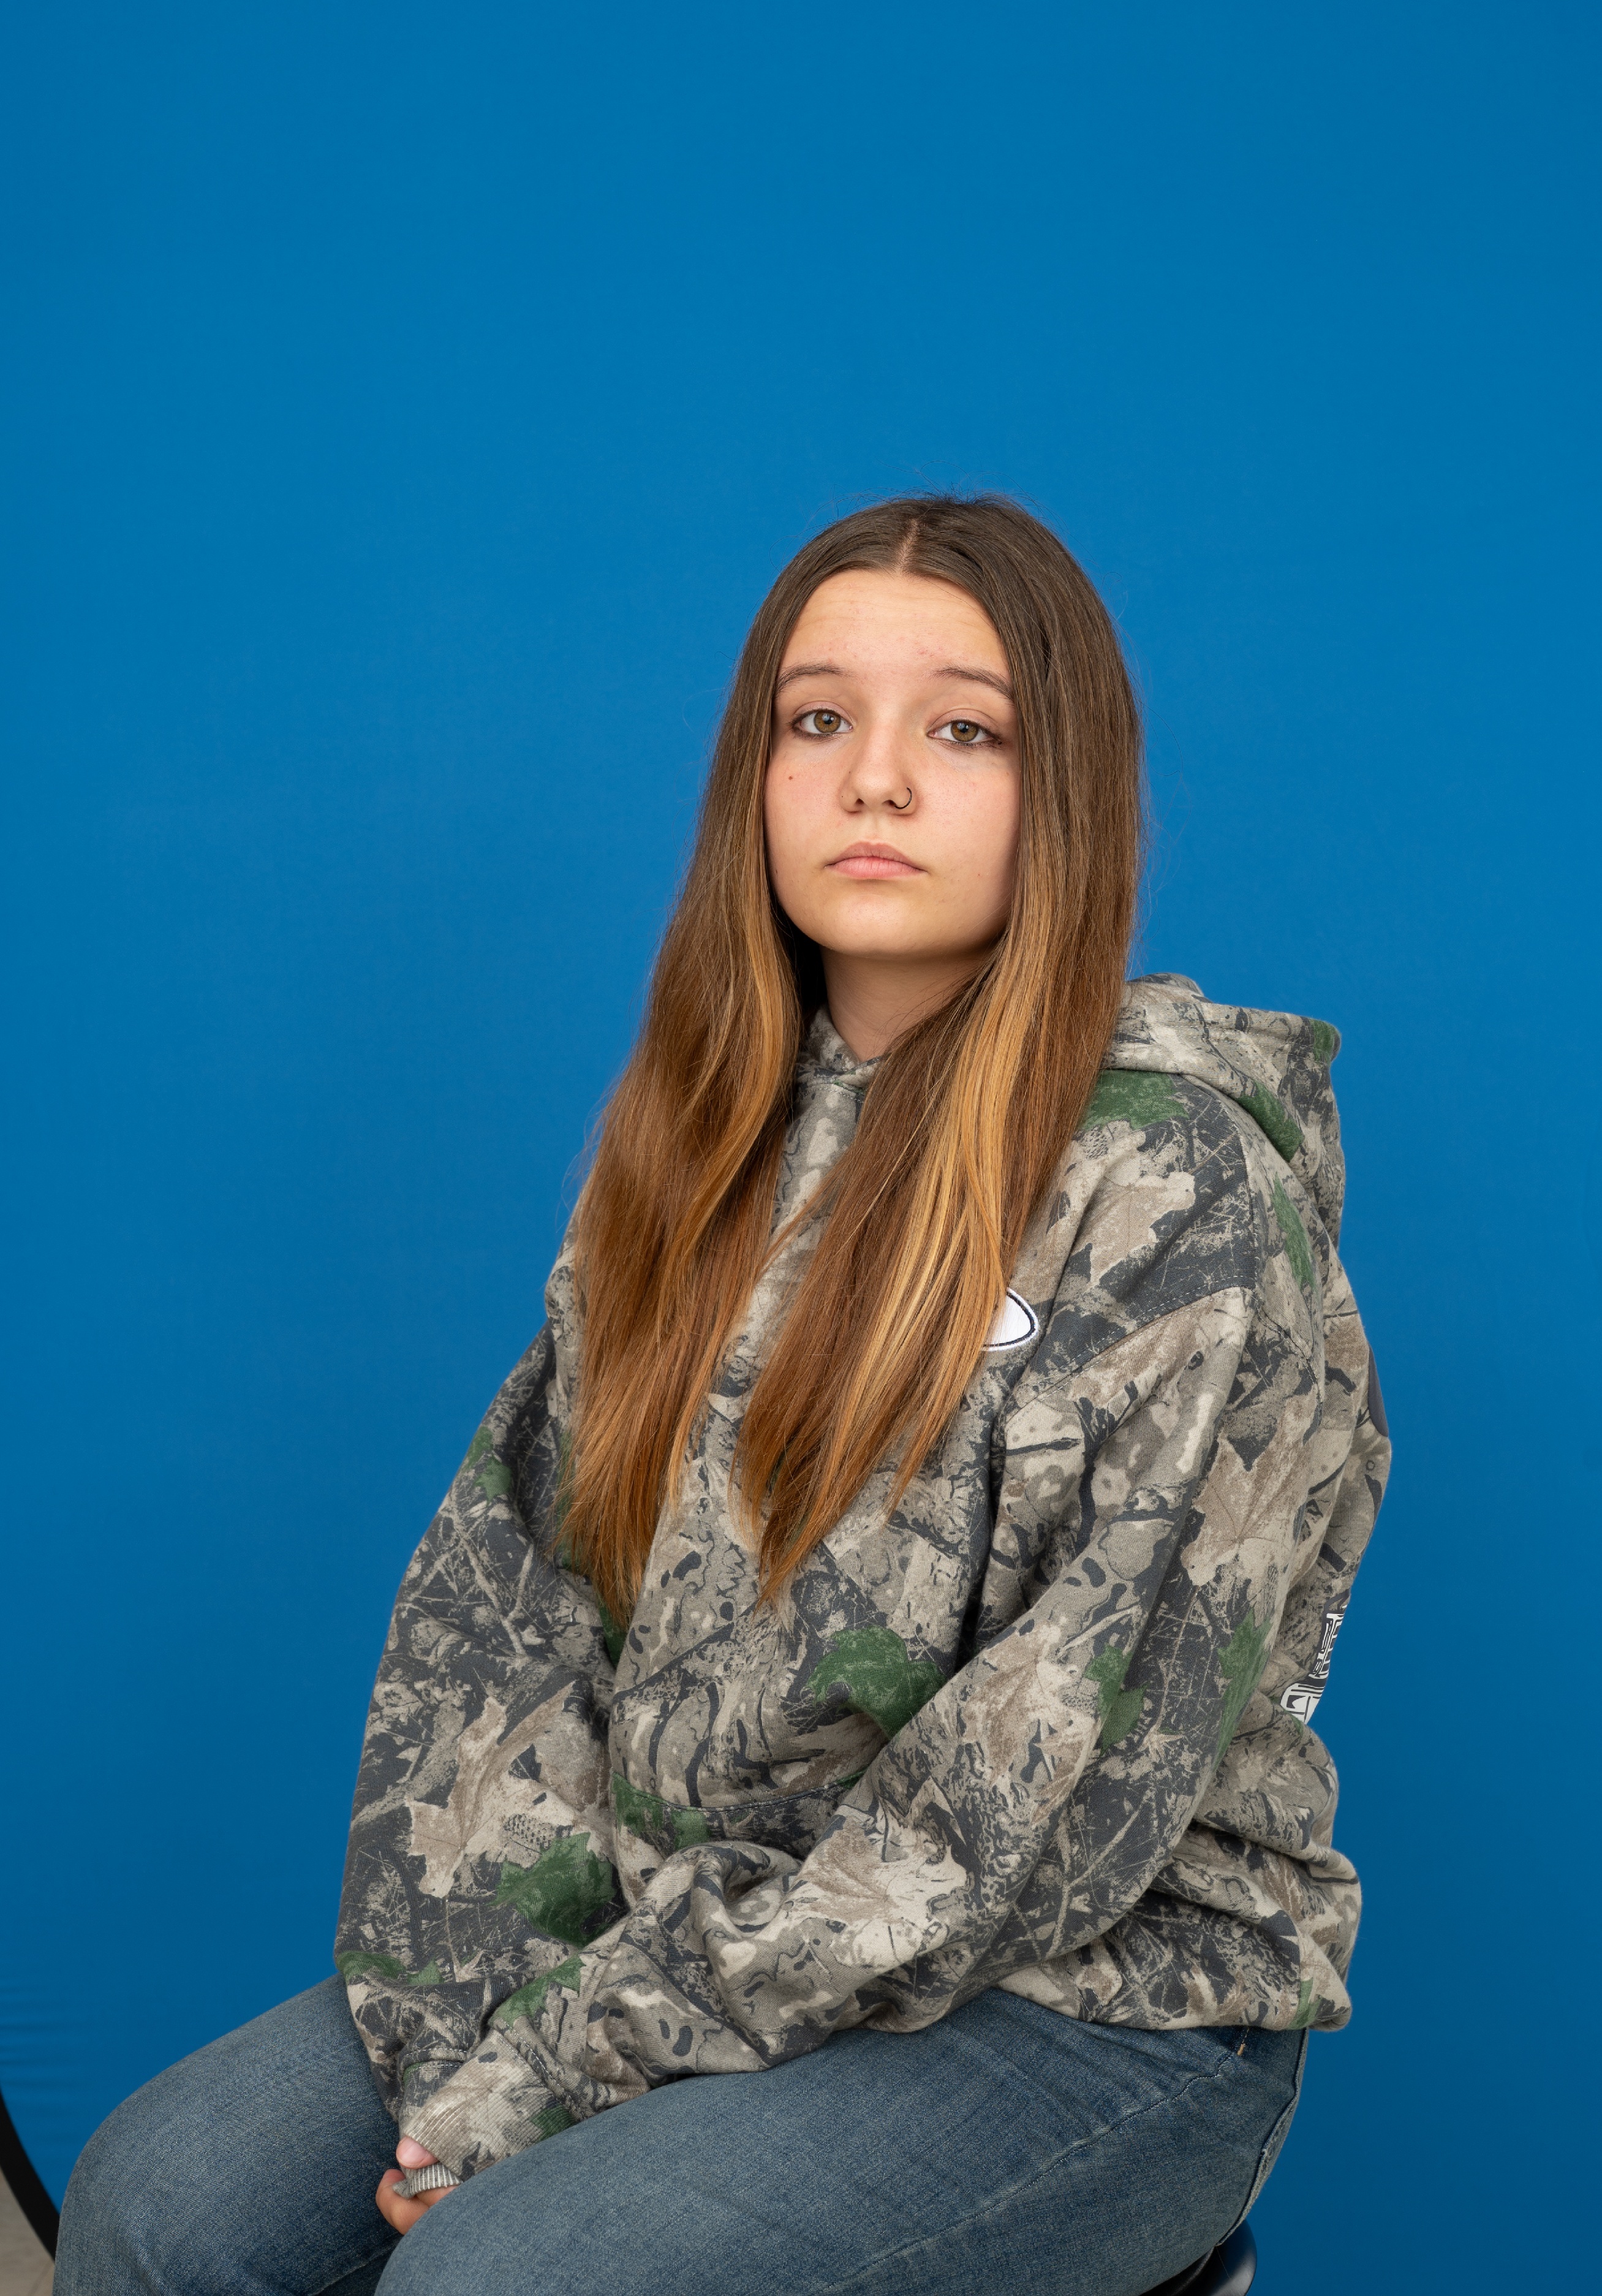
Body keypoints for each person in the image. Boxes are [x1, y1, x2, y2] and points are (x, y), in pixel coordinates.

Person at [56, 496, 1388, 2296]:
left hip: (1087, 1992)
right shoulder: (702, 1141)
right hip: (672, 1912)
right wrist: (480, 2022)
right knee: (158, 2203)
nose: (876, 779)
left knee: (504, 2281)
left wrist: (569, 2068)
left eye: (966, 730)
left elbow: (1042, 1806)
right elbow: (512, 1620)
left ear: (1064, 790)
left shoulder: (1177, 1194)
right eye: (818, 718)